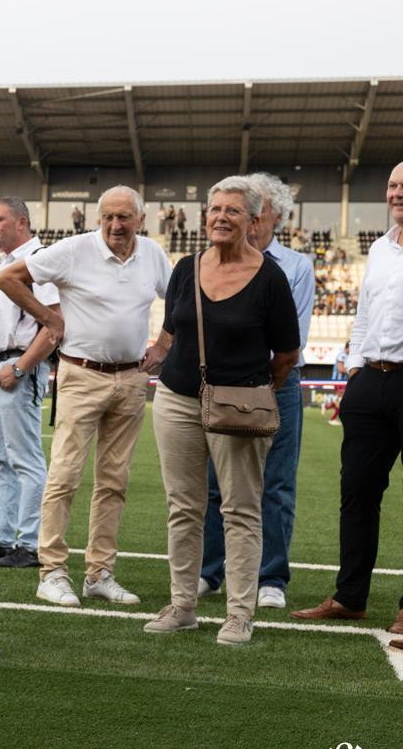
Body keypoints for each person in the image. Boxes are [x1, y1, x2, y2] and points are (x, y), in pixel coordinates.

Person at [0, 186, 171, 608]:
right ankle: (52, 572)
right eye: (108, 216)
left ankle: (99, 573)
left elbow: (181, 299)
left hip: (130, 380)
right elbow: (6, 277)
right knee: (64, 476)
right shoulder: (74, 250)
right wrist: (49, 317)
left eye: (125, 216)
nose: (116, 225)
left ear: (141, 219)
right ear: (97, 218)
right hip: (81, 374)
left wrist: (164, 344)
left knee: (114, 481)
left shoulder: (153, 254)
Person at [140, 177, 300, 645]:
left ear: (254, 221)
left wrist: (251, 392)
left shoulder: (270, 278)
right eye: (215, 209)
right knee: (183, 508)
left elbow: (286, 356)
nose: (221, 217)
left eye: (233, 211)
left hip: (239, 406)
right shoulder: (186, 268)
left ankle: (239, 613)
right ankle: (183, 605)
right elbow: (172, 331)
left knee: (241, 510)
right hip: (175, 400)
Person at [292, 160, 403, 632]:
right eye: (393, 185)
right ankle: (350, 596)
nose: (397, 193)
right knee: (356, 494)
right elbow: (362, 317)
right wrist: (355, 368)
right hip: (369, 383)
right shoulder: (378, 249)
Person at [197, 173, 313, 609]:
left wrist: (253, 380)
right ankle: (210, 572)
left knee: (277, 485)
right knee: (213, 484)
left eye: (256, 208)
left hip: (276, 384)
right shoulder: (206, 262)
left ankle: (270, 579)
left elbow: (287, 339)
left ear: (273, 217)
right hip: (224, 385)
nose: (250, 214)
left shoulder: (295, 266)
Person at [0, 197, 59, 569]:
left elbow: (54, 324)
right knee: (1, 459)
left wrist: (19, 368)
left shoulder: (38, 262)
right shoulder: (3, 263)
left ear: (22, 222)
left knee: (26, 460)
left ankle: (32, 544)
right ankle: (1, 537)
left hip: (15, 369)